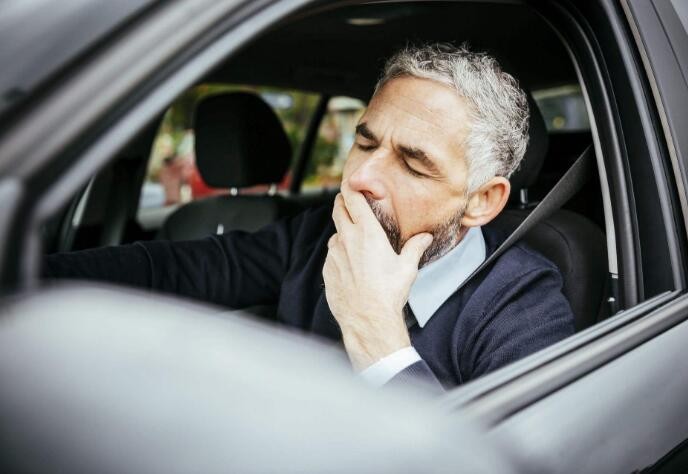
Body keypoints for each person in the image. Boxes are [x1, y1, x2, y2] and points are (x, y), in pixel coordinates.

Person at [44, 43, 574, 391]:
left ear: (481, 200)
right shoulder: (320, 234)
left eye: (413, 165)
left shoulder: (523, 307)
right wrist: (28, 278)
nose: (361, 176)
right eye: (363, 143)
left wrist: (375, 332)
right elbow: (178, 271)